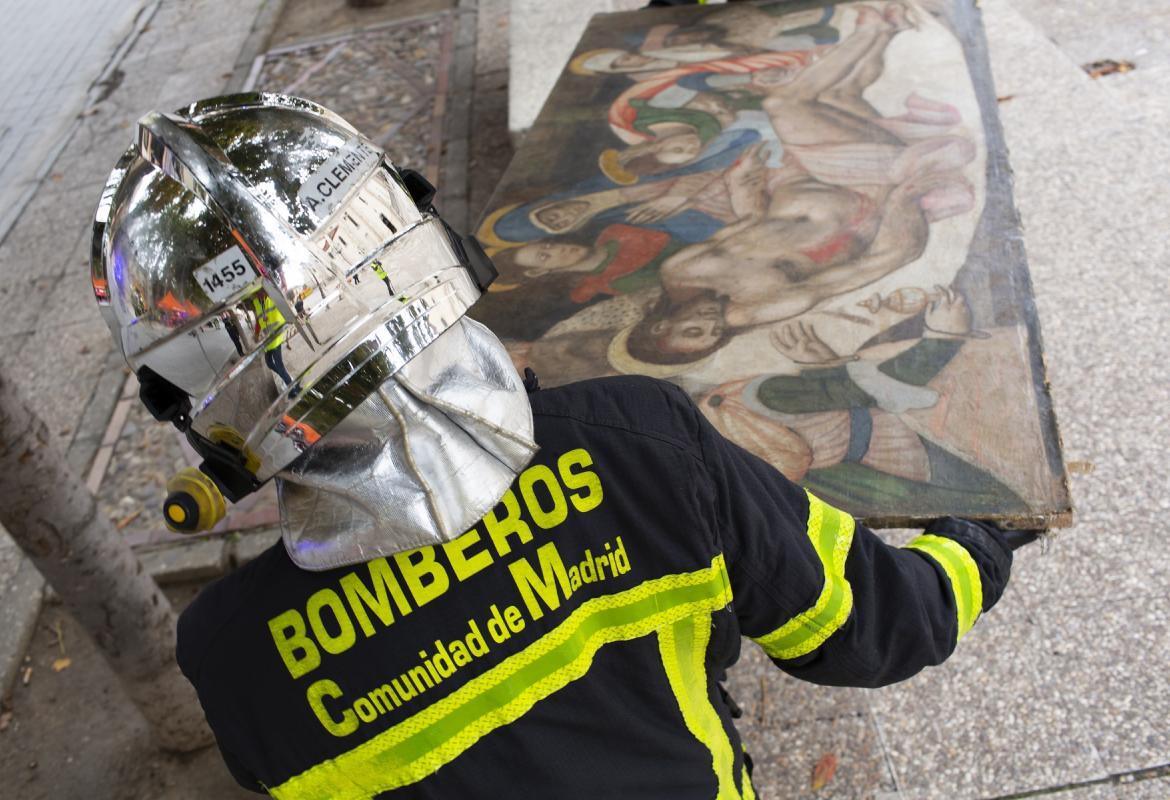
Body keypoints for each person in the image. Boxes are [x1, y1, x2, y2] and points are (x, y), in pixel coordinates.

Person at [92, 95, 1031, 799]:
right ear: (416, 233)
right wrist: (976, 548)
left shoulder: (235, 660)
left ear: (199, 407)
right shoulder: (641, 448)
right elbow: (866, 627)